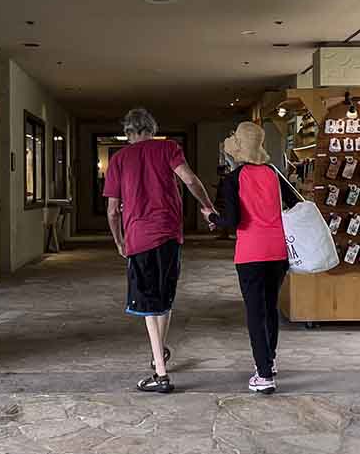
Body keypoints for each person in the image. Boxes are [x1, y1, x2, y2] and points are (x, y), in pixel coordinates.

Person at [104, 108, 216, 393]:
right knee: (164, 298)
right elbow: (190, 180)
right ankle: (159, 355)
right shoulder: (168, 148)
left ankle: (161, 374)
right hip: (169, 234)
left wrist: (119, 241)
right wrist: (207, 207)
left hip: (139, 237)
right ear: (151, 129)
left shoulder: (118, 159)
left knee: (148, 304)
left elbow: (113, 211)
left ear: (128, 132)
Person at [212, 121, 299, 393]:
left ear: (236, 151)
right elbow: (296, 204)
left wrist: (213, 218)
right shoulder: (274, 173)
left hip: (250, 254)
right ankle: (269, 362)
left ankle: (264, 376)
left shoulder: (233, 179)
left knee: (254, 312)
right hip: (277, 251)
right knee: (270, 307)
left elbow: (232, 219)